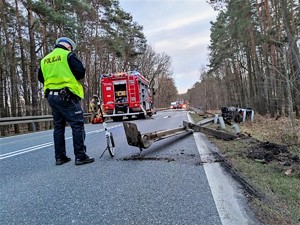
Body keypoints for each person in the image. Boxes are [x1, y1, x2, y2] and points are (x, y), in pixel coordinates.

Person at [38, 37, 94, 166]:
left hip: (51, 96)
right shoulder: (67, 55)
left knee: (58, 127)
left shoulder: (45, 59)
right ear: (69, 46)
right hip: (67, 95)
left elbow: (41, 78)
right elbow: (80, 72)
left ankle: (60, 157)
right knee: (77, 125)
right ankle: (80, 156)